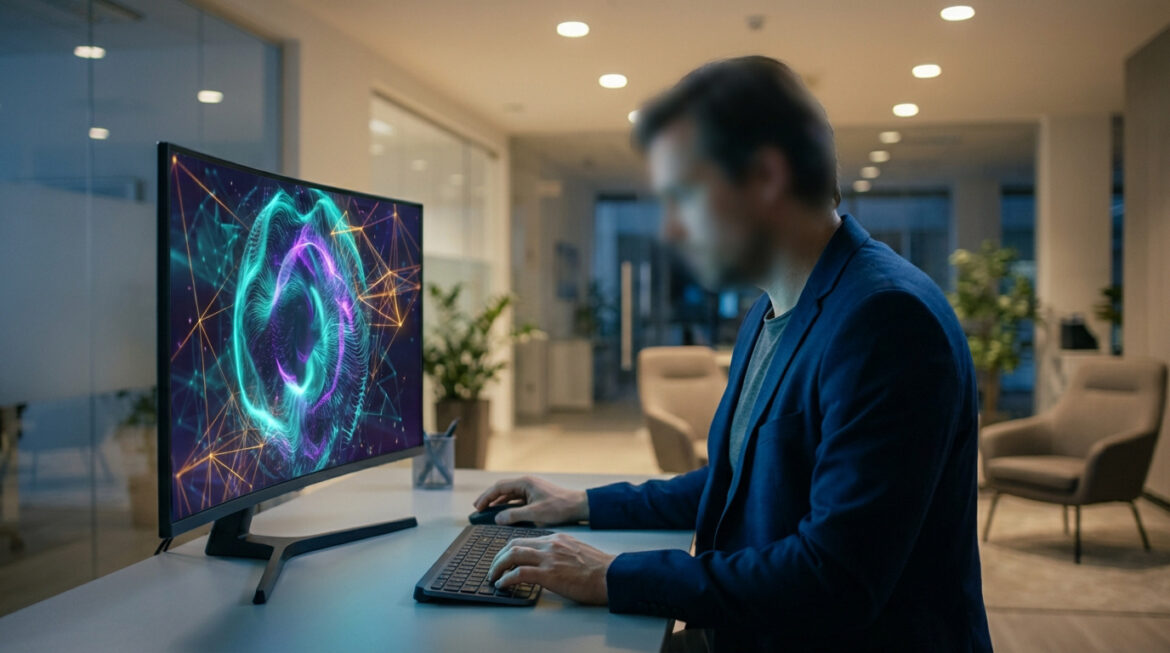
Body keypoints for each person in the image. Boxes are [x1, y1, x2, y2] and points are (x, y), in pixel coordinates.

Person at [478, 56, 992, 652]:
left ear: (766, 177)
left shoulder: (887, 320)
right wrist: (581, 504)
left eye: (684, 194)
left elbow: (835, 579)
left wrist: (612, 575)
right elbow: (738, 482)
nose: (672, 228)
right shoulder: (770, 309)